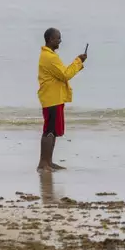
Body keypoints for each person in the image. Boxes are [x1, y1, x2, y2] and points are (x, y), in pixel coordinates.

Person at [37, 28, 87, 172]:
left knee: (53, 130)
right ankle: (43, 163)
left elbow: (62, 74)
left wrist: (78, 62)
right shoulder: (49, 57)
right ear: (50, 40)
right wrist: (79, 61)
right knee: (49, 131)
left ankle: (48, 162)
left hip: (54, 97)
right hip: (51, 98)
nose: (60, 41)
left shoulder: (49, 55)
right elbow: (65, 75)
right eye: (58, 38)